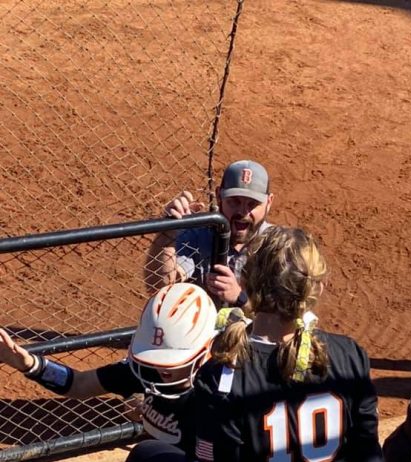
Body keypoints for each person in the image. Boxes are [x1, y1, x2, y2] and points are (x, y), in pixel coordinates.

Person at [193, 226, 384, 462]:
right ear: (317, 287)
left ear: (245, 281)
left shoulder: (221, 376)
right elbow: (368, 450)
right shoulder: (350, 355)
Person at [0, 282, 219, 459]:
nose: (161, 369)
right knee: (145, 453)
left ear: (205, 350)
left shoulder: (224, 392)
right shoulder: (145, 369)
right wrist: (28, 364)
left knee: (146, 452)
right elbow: (79, 384)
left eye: (173, 360)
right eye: (155, 356)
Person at [144, 160, 274, 308]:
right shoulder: (197, 234)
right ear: (219, 196)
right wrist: (168, 231)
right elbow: (159, 287)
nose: (243, 212)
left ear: (269, 202)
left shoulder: (278, 246)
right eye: (234, 201)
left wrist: (240, 298)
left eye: (253, 204)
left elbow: (284, 315)